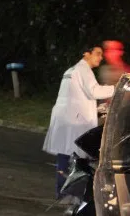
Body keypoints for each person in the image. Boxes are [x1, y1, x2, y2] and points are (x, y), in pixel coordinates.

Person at [43, 44, 114, 198]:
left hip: (66, 119)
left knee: (64, 156)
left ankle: (62, 193)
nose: (101, 58)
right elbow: (94, 91)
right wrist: (117, 88)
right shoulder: (83, 70)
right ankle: (73, 195)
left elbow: (77, 96)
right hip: (74, 122)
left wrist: (95, 109)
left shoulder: (71, 70)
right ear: (86, 53)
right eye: (97, 54)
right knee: (78, 157)